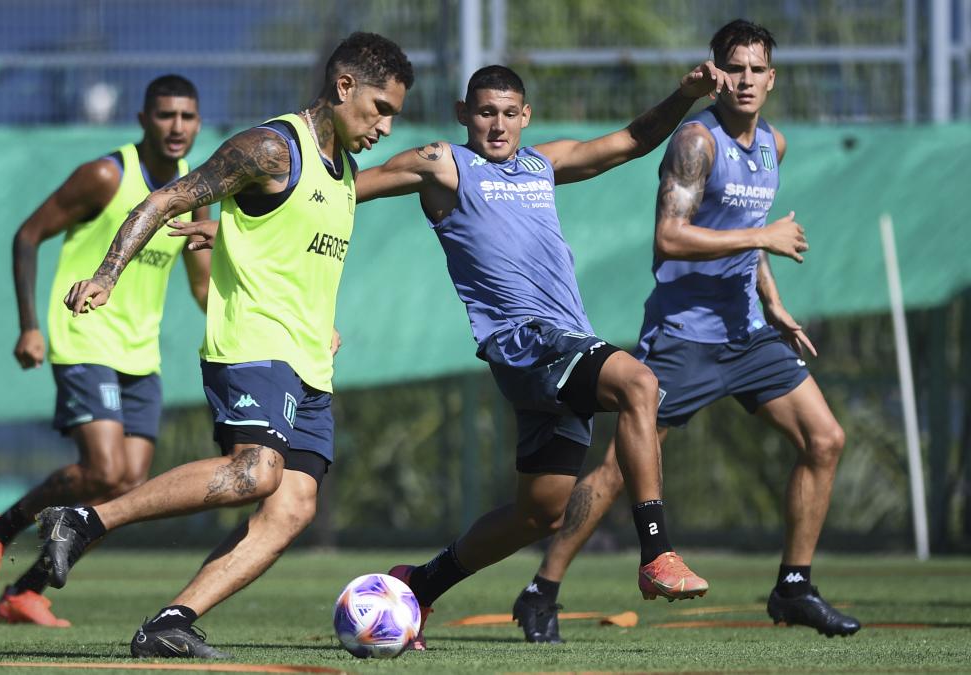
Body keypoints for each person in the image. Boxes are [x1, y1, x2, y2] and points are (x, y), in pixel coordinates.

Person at [34, 32, 413, 659]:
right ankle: (83, 520)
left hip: (310, 360)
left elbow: (285, 242)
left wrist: (321, 320)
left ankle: (170, 624)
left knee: (293, 506)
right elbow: (162, 200)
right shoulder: (270, 148)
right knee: (257, 471)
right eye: (380, 107)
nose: (386, 125)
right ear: (344, 87)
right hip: (252, 343)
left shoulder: (342, 170)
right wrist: (106, 275)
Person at [351, 59, 734, 650]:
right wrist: (245, 231)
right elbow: (345, 192)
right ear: (463, 115)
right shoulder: (443, 165)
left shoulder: (542, 163)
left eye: (509, 113)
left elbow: (632, 141)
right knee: (639, 384)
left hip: (559, 350)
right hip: (526, 343)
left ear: (525, 116)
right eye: (484, 113)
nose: (498, 126)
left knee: (541, 515)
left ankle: (418, 585)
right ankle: (657, 551)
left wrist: (682, 95)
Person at [510, 19, 861, 643]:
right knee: (620, 468)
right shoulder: (696, 142)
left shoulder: (772, 145)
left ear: (772, 79)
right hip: (683, 336)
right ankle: (542, 590)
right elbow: (669, 239)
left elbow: (743, 228)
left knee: (826, 439)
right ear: (716, 73)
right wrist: (764, 237)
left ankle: (794, 586)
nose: (746, 79)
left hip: (747, 332)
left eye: (757, 69)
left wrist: (772, 300)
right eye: (735, 67)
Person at [0, 75, 211, 628]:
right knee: (103, 467)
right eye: (166, 115)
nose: (177, 127)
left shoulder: (191, 190)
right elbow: (27, 235)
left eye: (188, 117)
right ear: (144, 119)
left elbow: (201, 284)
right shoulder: (107, 175)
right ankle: (0, 529)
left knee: (122, 488)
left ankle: (25, 591)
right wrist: (30, 326)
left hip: (140, 355)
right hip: (84, 335)